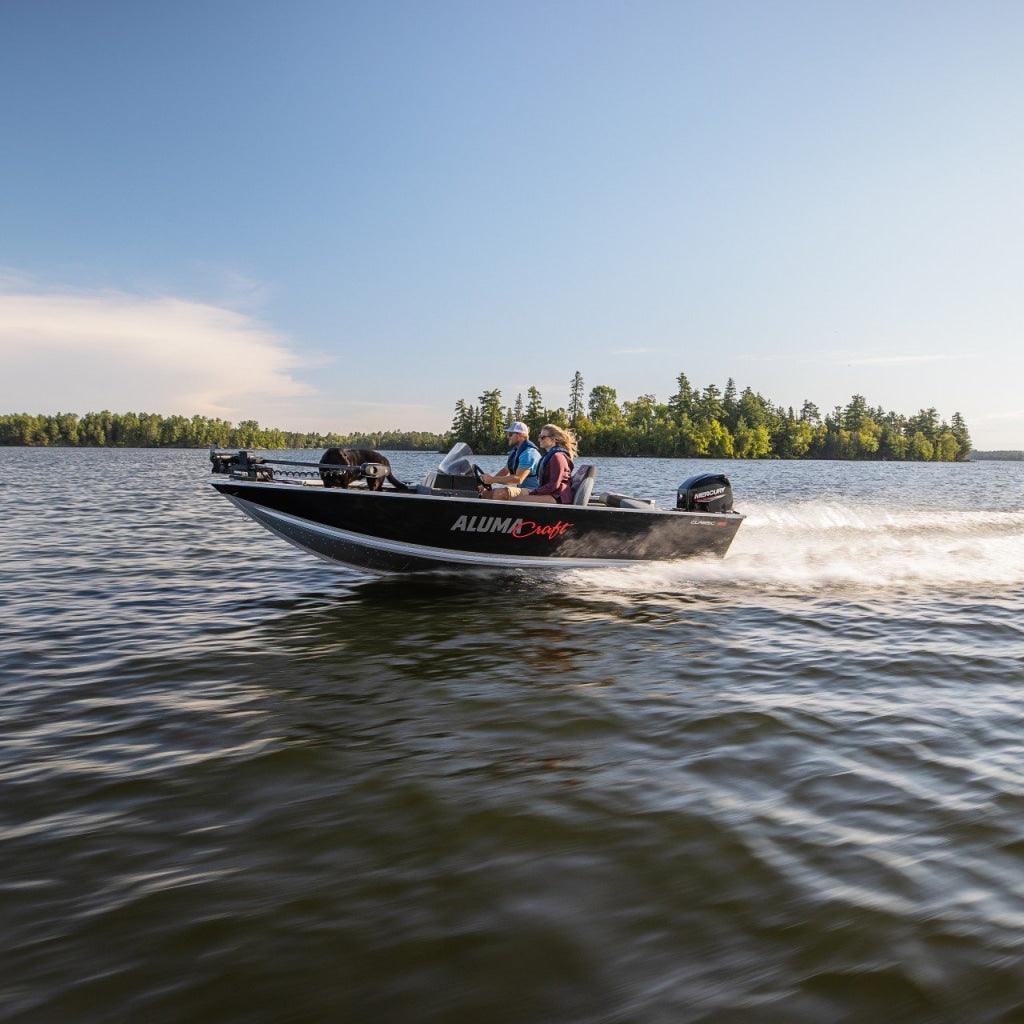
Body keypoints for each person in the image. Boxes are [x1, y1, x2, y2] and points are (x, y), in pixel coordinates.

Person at [508, 423, 577, 504]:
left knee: (517, 501)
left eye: (543, 437)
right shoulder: (551, 455)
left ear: (554, 439)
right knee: (512, 497)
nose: (539, 439)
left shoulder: (557, 457)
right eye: (539, 437)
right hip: (552, 494)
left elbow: (554, 485)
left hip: (559, 497)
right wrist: (534, 492)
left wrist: (534, 492)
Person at [478, 421, 541, 500]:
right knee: (486, 494)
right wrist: (487, 483)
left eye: (510, 434)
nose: (508, 437)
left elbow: (518, 479)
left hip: (534, 491)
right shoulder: (515, 452)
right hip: (524, 490)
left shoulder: (529, 454)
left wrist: (493, 479)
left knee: (499, 493)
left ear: (520, 435)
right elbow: (505, 471)